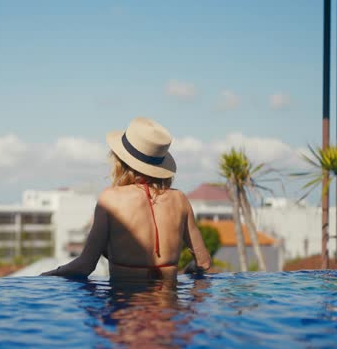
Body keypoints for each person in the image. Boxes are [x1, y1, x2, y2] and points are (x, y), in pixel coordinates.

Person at [41, 117, 211, 281]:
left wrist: (46, 276)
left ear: (120, 161)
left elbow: (85, 266)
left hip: (125, 308)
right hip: (170, 309)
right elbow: (204, 262)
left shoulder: (110, 198)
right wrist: (190, 271)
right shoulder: (180, 199)